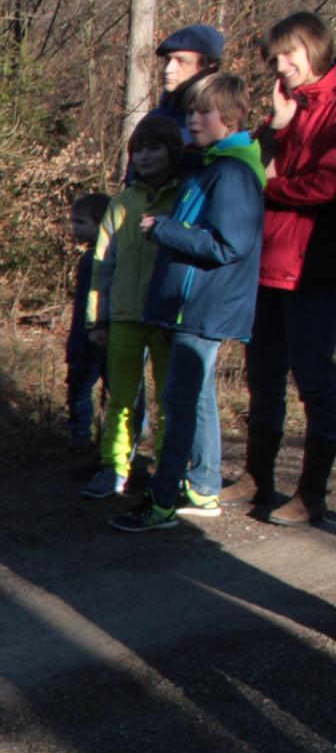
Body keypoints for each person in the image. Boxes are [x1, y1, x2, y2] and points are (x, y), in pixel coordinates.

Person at [112, 72, 267, 533]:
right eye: (190, 112)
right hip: (195, 306)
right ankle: (202, 488)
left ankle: (161, 503)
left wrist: (165, 229)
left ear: (230, 117)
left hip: (203, 307)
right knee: (196, 400)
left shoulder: (232, 172)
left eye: (203, 112)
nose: (193, 120)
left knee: (178, 405)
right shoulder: (211, 164)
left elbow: (230, 244)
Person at [231, 11, 336, 527]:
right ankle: (258, 477)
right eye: (273, 58)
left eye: (288, 53)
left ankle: (311, 495)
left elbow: (327, 185)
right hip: (267, 262)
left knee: (315, 382)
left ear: (314, 46)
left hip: (316, 268)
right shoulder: (288, 105)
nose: (280, 65)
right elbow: (249, 166)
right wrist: (275, 125)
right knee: (263, 377)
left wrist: (272, 187)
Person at [82, 115, 184, 499]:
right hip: (124, 314)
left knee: (170, 399)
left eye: (153, 148)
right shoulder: (121, 203)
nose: (144, 157)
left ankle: (167, 469)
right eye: (138, 150)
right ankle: (114, 467)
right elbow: (102, 265)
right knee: (120, 398)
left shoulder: (184, 198)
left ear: (172, 151)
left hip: (168, 317)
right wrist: (97, 319)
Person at [65, 193, 111, 455]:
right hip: (87, 335)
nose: (75, 228)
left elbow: (90, 301)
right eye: (73, 222)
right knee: (81, 387)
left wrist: (95, 328)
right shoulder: (91, 257)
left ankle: (84, 437)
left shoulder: (99, 259)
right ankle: (83, 437)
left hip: (93, 337)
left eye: (81, 222)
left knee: (82, 387)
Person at [145, 25, 226, 145]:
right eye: (168, 60)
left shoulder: (222, 120)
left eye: (181, 61)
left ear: (209, 66)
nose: (168, 69)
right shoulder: (154, 120)